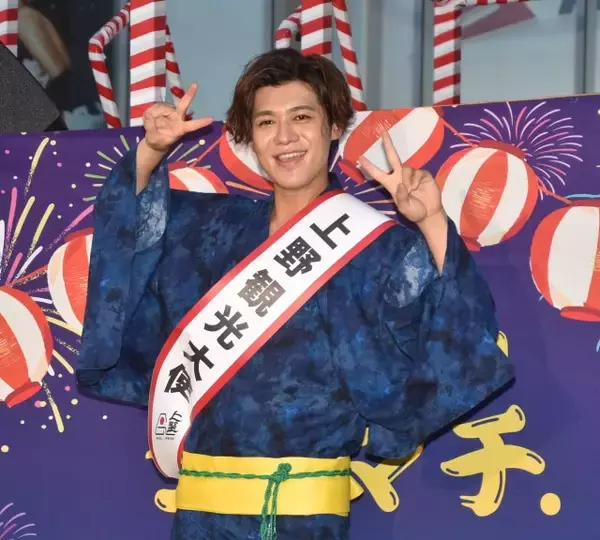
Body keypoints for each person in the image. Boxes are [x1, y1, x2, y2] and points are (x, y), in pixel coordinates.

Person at [76, 48, 515, 540]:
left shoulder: (377, 247)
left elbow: (463, 340)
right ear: (249, 137)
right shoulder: (210, 230)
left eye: (302, 117)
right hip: (200, 520)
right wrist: (151, 153)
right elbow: (131, 232)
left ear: (334, 125)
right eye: (266, 122)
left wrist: (431, 221)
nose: (284, 137)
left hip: (308, 520)